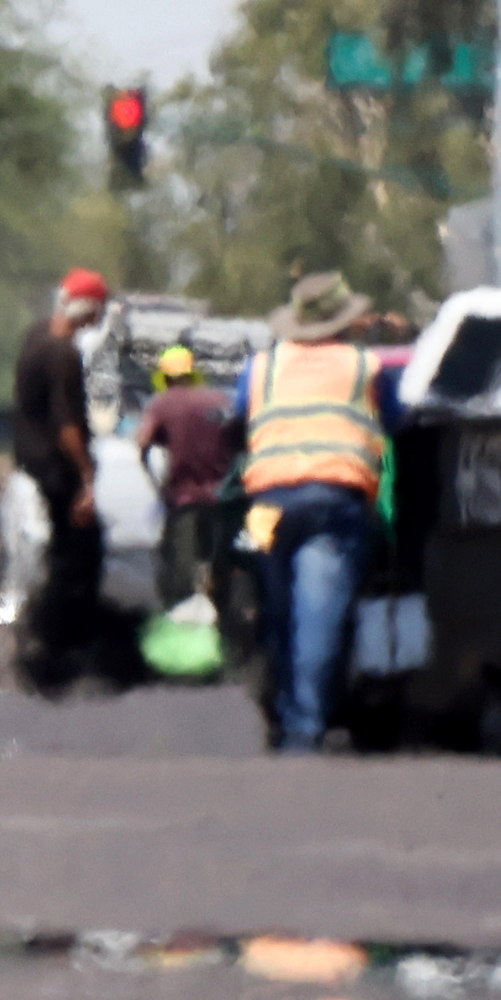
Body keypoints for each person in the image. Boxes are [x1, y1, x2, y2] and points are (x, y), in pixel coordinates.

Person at [234, 272, 400, 754]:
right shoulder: (363, 366)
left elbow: (235, 412)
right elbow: (398, 417)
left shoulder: (262, 367)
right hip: (332, 500)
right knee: (317, 615)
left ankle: (281, 712)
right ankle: (304, 730)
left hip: (266, 505)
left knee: (277, 610)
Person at [12, 269, 109, 686]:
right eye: (99, 308)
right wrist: (87, 478)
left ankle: (44, 646)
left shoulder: (35, 336)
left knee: (56, 559)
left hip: (29, 463)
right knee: (77, 562)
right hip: (57, 472)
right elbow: (67, 425)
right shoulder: (63, 354)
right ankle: (54, 655)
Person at [138, 346, 233, 609]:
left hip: (184, 499)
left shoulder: (162, 403)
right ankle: (224, 627)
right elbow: (239, 439)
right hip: (222, 500)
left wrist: (151, 478)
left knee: (180, 571)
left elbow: (143, 441)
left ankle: (180, 627)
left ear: (165, 378)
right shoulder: (219, 400)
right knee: (221, 566)